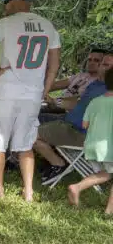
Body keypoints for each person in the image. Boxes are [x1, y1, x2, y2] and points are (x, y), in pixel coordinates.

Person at [0, 0, 62, 201]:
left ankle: (0, 191)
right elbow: (54, 64)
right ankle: (29, 192)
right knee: (26, 142)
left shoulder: (5, 23)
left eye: (6, 2)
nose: (4, 6)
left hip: (6, 89)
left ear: (16, 0)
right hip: (32, 93)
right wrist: (46, 89)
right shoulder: (48, 26)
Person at [34, 51, 113, 179]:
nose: (99, 66)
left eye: (105, 65)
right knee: (29, 122)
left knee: (28, 135)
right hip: (67, 123)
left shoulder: (108, 92)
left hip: (79, 133)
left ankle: (58, 164)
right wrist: (56, 101)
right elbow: (78, 103)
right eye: (102, 64)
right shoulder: (96, 84)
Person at [68, 67, 113, 214]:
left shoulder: (95, 101)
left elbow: (85, 124)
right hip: (109, 147)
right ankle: (109, 211)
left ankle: (77, 187)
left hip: (92, 146)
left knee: (105, 174)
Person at [49, 46, 103, 112]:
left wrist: (53, 101)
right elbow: (53, 85)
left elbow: (78, 103)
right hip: (58, 108)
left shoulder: (100, 83)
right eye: (89, 60)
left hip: (70, 114)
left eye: (96, 60)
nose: (91, 63)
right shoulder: (80, 76)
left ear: (104, 63)